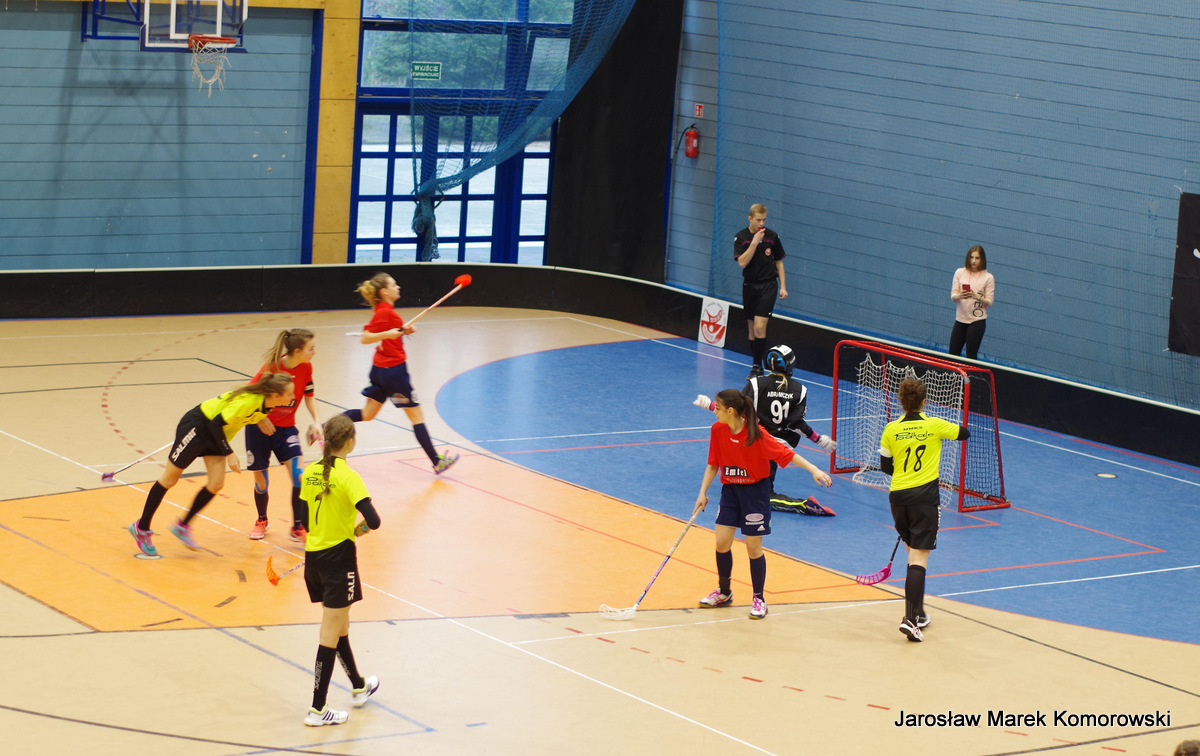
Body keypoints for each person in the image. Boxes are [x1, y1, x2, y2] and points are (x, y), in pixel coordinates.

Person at [693, 388, 833, 620]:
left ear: (731, 411)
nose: (714, 411)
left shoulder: (756, 434)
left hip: (755, 494)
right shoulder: (717, 429)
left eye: (718, 408)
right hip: (730, 492)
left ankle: (759, 598)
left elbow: (786, 454)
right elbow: (713, 464)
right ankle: (724, 592)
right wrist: (702, 493)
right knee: (721, 543)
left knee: (753, 548)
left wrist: (814, 470)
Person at [128, 373, 296, 558]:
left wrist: (260, 418)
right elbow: (215, 424)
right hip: (199, 427)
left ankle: (182, 526)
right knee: (169, 479)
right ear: (275, 395)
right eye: (289, 394)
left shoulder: (266, 406)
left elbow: (244, 417)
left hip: (217, 435)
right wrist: (229, 453)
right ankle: (141, 528)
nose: (293, 397)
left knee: (216, 483)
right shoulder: (249, 402)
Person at [299, 415, 381, 726]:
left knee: (340, 625)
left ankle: (359, 686)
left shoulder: (311, 472)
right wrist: (359, 529)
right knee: (329, 632)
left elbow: (305, 521)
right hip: (338, 561)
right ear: (350, 441)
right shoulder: (349, 477)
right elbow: (374, 520)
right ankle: (317, 709)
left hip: (314, 560)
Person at [878, 378, 970, 642]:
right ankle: (909, 619)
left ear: (901, 401)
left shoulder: (891, 429)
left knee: (912, 556)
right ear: (923, 401)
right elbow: (964, 433)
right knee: (919, 559)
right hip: (924, 498)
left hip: (898, 498)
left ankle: (917, 613)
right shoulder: (934, 425)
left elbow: (885, 466)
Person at [341, 273, 459, 474]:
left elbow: (389, 334)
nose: (398, 287)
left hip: (380, 371)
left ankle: (324, 427)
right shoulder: (385, 312)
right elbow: (366, 337)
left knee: (367, 414)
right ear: (384, 291)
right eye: (394, 285)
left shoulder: (385, 311)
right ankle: (436, 461)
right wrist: (389, 334)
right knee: (416, 416)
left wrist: (404, 331)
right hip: (394, 374)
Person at [693, 343, 836, 505]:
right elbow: (795, 423)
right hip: (777, 443)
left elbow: (738, 410)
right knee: (760, 490)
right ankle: (797, 503)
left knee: (763, 493)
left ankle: (800, 505)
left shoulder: (756, 383)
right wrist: (818, 439)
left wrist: (711, 405)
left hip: (756, 441)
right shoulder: (799, 389)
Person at [245, 329, 322, 542]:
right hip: (259, 429)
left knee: (299, 476)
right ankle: (262, 520)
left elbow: (309, 395)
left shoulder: (306, 367)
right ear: (297, 351)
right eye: (311, 349)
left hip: (286, 430)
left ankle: (297, 527)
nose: (314, 352)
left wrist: (317, 421)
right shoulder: (273, 367)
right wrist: (260, 418)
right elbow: (248, 394)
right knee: (262, 483)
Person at [733, 203, 788, 379]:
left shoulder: (772, 236)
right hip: (750, 286)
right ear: (750, 218)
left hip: (768, 286)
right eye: (758, 220)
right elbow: (742, 263)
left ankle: (758, 367)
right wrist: (754, 243)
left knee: (759, 326)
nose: (761, 224)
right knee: (752, 329)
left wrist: (783, 286)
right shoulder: (741, 237)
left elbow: (779, 262)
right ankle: (756, 364)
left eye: (764, 220)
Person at [948, 245, 995, 360]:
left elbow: (989, 302)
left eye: (977, 258)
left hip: (977, 321)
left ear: (982, 259)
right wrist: (960, 296)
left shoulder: (988, 277)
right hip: (961, 319)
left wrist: (977, 297)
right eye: (971, 257)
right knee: (953, 353)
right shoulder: (959, 272)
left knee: (971, 355)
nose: (973, 261)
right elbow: (953, 296)